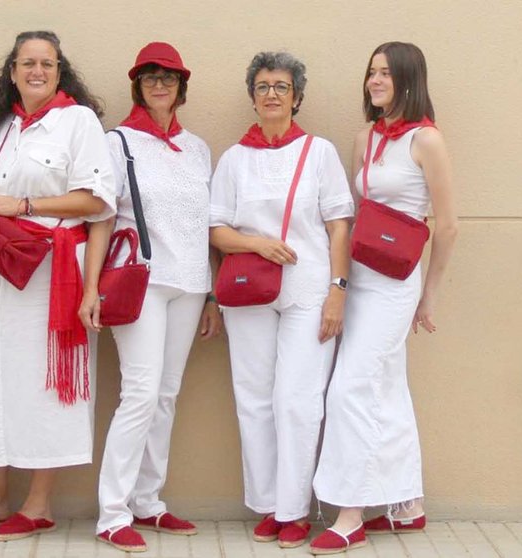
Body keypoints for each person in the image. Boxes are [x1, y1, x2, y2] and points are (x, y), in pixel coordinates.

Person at [0, 30, 117, 541]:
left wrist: (25, 207)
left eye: (46, 62)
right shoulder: (0, 130)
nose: (36, 71)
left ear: (59, 71)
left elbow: (97, 201)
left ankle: (38, 503)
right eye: (27, 63)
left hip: (51, 270)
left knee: (46, 382)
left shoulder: (78, 122)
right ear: (13, 72)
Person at [309, 41, 457, 555]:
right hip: (363, 277)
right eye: (371, 73)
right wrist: (341, 283)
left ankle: (350, 511)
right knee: (387, 389)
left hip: (397, 283)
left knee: (351, 387)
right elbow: (354, 216)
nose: (375, 82)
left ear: (409, 79)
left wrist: (428, 296)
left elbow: (450, 227)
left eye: (386, 75)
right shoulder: (364, 138)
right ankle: (407, 505)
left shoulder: (426, 140)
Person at [77, 42, 223, 553]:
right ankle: (111, 513)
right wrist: (90, 288)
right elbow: (99, 216)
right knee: (139, 393)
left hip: (190, 283)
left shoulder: (199, 149)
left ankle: (147, 501)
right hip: (139, 281)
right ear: (137, 84)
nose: (159, 84)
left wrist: (210, 297)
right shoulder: (117, 142)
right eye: (149, 77)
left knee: (165, 395)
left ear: (182, 87)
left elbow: (205, 227)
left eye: (169, 77)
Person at [208, 51, 353, 550]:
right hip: (248, 291)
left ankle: (295, 510)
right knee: (254, 398)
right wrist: (257, 243)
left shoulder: (319, 153)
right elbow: (216, 229)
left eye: (281, 86)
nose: (272, 94)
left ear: (296, 97)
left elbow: (339, 227)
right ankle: (269, 504)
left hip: (309, 290)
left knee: (298, 399)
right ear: (253, 96)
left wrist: (338, 291)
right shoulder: (233, 159)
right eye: (264, 85)